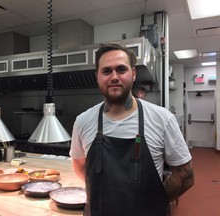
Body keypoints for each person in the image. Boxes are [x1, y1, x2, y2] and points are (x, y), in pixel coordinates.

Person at [69, 42, 194, 216]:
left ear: (133, 74)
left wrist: (156, 202)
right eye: (106, 71)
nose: (114, 77)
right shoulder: (83, 121)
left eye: (121, 69)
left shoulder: (162, 119)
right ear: (97, 76)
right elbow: (80, 166)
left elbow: (185, 175)